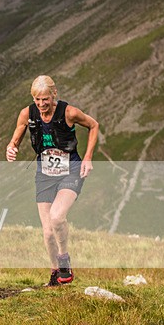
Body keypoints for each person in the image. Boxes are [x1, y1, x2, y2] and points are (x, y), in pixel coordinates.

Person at [6, 75, 99, 286]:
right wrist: (11, 149)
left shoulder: (69, 112)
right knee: (48, 232)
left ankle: (64, 260)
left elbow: (94, 125)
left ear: (54, 94)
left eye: (45, 99)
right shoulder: (27, 114)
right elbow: (15, 140)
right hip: (45, 174)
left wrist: (88, 158)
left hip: (70, 171)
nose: (41, 104)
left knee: (57, 217)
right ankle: (56, 274)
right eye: (37, 100)